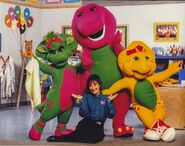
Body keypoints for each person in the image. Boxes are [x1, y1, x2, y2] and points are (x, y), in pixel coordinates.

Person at [47, 74, 117, 143]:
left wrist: (109, 102)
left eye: (95, 84)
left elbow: (111, 115)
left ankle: (70, 135)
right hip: (87, 123)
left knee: (95, 139)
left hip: (98, 125)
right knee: (75, 137)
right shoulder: (87, 97)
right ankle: (57, 139)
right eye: (90, 85)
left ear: (99, 85)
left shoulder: (106, 98)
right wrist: (82, 101)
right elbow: (83, 114)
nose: (92, 87)